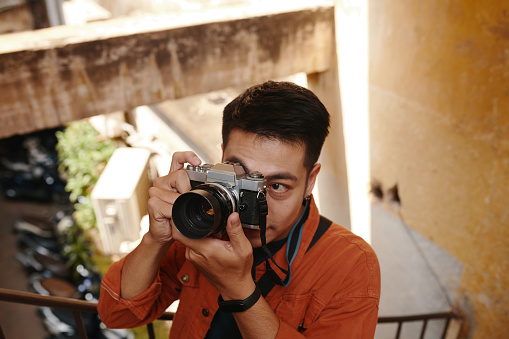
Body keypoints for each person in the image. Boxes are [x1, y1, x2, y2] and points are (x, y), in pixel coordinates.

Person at [98, 80, 381, 338]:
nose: (256, 207)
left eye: (277, 186)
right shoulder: (203, 220)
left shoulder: (350, 263)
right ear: (221, 157)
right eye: (241, 178)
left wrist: (238, 288)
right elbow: (116, 314)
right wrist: (155, 240)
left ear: (311, 181)